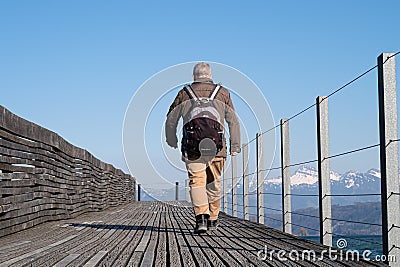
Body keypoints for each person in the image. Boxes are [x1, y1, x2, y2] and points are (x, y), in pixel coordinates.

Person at [165, 62, 241, 233]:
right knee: (214, 182)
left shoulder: (184, 93)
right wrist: (235, 145)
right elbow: (233, 121)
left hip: (192, 147)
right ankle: (213, 219)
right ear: (210, 75)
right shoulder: (223, 93)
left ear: (194, 76)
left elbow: (171, 118)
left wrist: (172, 139)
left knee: (197, 182)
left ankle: (201, 219)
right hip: (217, 148)